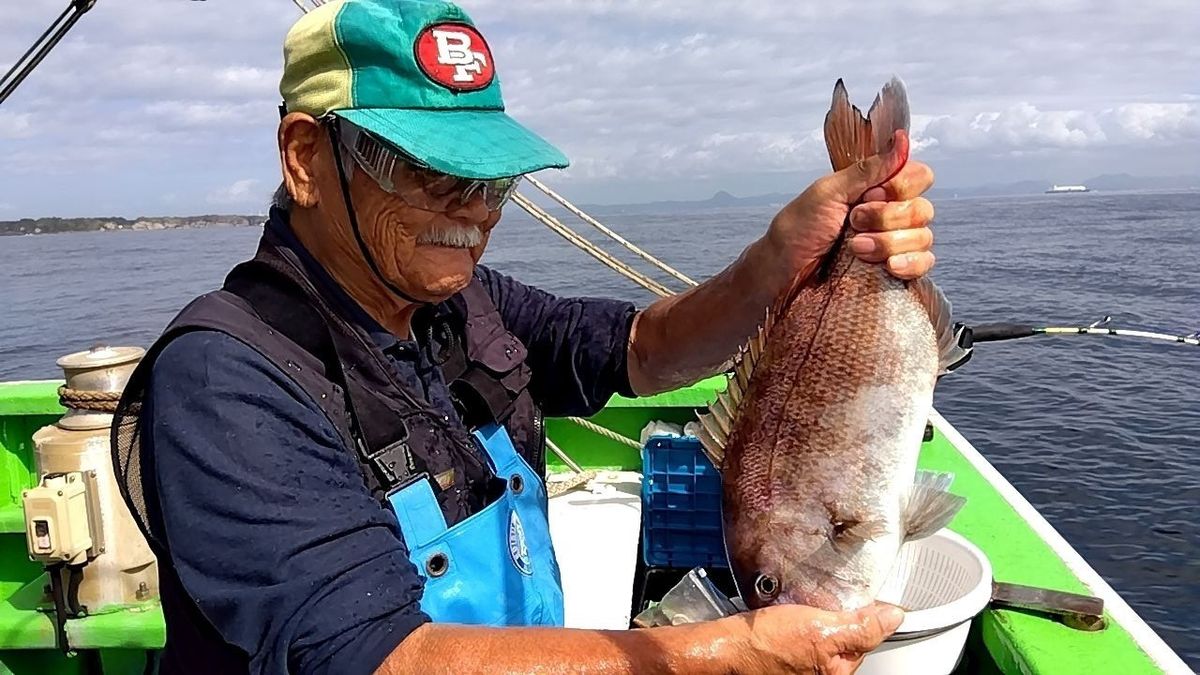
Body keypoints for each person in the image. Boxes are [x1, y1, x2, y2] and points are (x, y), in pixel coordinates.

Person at [110, 0, 940, 673]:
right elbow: (377, 657)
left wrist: (776, 259)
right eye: (427, 170)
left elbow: (644, 349)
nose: (471, 209)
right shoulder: (227, 383)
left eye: (491, 176)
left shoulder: (461, 305)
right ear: (304, 156)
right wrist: (720, 652)